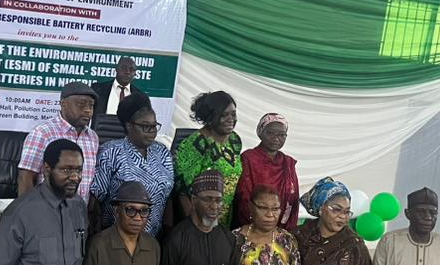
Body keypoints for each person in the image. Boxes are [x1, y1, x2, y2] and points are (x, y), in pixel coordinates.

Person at [90, 92, 174, 237]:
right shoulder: (111, 152)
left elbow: (168, 196)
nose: (152, 131)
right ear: (129, 126)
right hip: (115, 236)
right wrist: (97, 237)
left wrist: (168, 233)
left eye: (154, 126)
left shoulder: (162, 152)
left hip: (153, 238)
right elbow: (95, 200)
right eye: (145, 126)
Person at [18, 81, 99, 200]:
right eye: (81, 104)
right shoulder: (43, 133)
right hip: (48, 207)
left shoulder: (92, 137)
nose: (88, 110)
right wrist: (27, 208)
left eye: (91, 105)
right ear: (63, 104)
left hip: (79, 208)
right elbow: (26, 176)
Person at [174, 91, 242, 228]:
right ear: (210, 117)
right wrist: (196, 228)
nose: (231, 119)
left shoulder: (234, 140)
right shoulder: (194, 145)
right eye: (224, 115)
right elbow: (182, 192)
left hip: (225, 219)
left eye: (233, 114)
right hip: (199, 222)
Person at [233, 113, 299, 230]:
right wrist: (258, 227)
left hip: (281, 229)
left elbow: (294, 200)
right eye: (270, 133)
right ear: (260, 132)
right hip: (252, 228)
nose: (276, 138)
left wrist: (285, 231)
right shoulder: (249, 158)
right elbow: (244, 197)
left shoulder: (288, 163)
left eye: (281, 134)